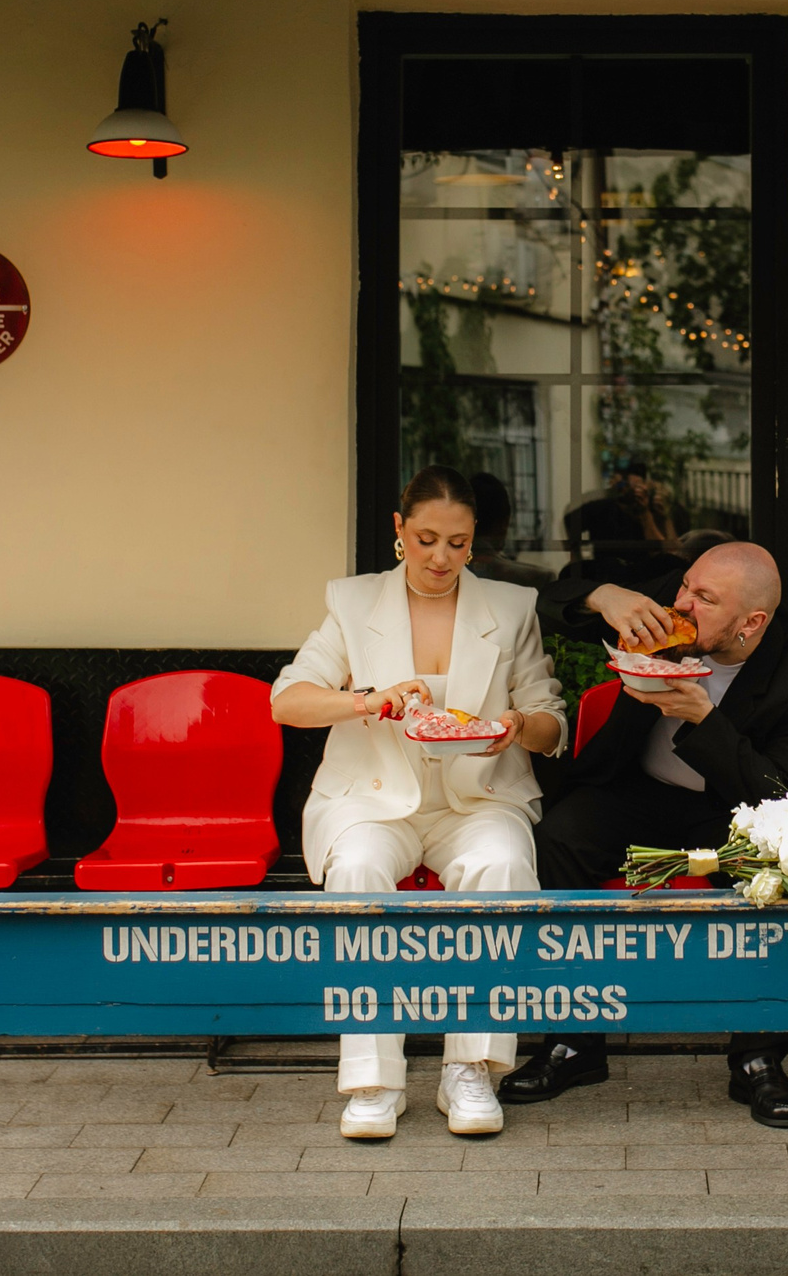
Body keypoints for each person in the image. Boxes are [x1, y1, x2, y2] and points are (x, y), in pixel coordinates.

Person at [270, 466, 568, 1140]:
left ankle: (472, 1070)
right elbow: (286, 701)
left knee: (502, 867)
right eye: (427, 538)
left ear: (475, 544)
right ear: (399, 530)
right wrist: (367, 700)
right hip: (374, 801)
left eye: (457, 544)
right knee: (357, 874)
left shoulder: (511, 608)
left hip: (478, 798)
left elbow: (550, 720)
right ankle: (373, 1080)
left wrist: (516, 728)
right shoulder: (352, 603)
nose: (440, 558)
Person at [499, 540, 788, 1128]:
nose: (682, 602)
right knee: (558, 838)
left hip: (731, 806)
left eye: (704, 598)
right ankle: (575, 1042)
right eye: (686, 586)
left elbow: (782, 791)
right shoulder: (667, 607)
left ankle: (757, 1056)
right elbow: (550, 604)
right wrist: (605, 596)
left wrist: (703, 719)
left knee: (777, 869)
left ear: (751, 622)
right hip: (636, 788)